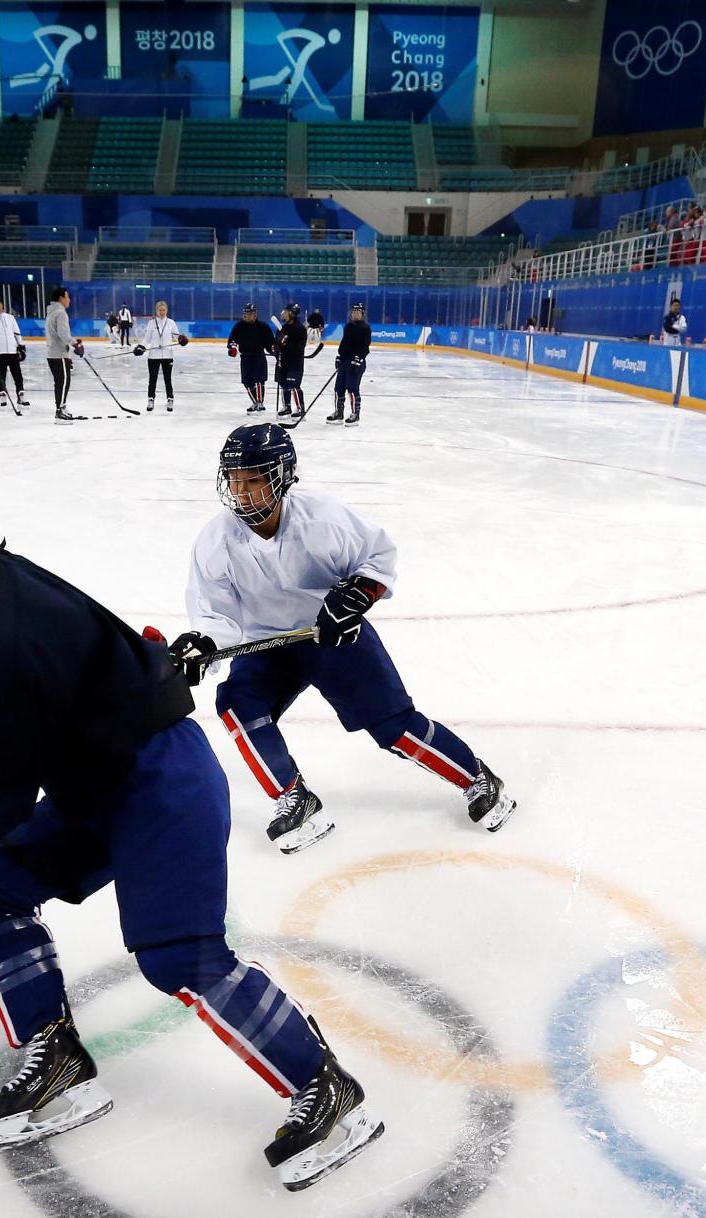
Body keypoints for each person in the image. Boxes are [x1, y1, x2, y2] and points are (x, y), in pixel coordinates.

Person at [0, 483, 383, 1190]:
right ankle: (60, 1064)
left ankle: (329, 1091)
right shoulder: (2, 589)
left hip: (161, 786)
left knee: (181, 959)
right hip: (105, 779)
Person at [169, 424, 515, 856]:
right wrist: (202, 641)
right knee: (238, 706)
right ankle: (293, 796)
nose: (243, 493)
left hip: (331, 637)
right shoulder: (215, 541)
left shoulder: (324, 518)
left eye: (254, 479)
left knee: (393, 727)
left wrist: (356, 596)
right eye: (235, 480)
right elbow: (216, 613)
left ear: (283, 475)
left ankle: (475, 776)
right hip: (267, 645)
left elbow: (379, 556)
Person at [134, 298, 187, 412]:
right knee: (152, 379)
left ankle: (170, 399)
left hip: (167, 356)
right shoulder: (151, 323)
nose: (162, 312)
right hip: (153, 356)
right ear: (156, 311)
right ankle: (151, 399)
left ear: (166, 310)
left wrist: (182, 339)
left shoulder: (171, 323)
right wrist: (141, 347)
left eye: (164, 310)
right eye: (160, 310)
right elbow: (147, 338)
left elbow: (177, 336)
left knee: (168, 379)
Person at [227, 302, 274, 414]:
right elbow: (232, 340)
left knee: (259, 380)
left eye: (249, 313)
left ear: (254, 314)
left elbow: (270, 344)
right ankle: (255, 402)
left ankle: (260, 403)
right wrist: (232, 348)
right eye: (245, 313)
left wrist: (274, 350)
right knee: (247, 382)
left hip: (258, 357)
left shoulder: (263, 327)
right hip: (245, 358)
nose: (246, 315)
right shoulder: (239, 326)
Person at [44, 285, 82, 422]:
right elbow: (63, 334)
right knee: (63, 383)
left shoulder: (51, 313)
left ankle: (62, 408)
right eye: (67, 296)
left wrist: (72, 343)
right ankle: (59, 412)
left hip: (53, 353)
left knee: (60, 382)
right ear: (61, 298)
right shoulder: (60, 313)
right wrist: (75, 344)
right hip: (59, 354)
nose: (69, 300)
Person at [328, 301, 369, 425]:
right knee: (338, 387)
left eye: (357, 312)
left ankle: (355, 414)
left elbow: (365, 347)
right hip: (345, 361)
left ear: (362, 314)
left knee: (352, 388)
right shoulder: (348, 326)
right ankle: (339, 412)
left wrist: (358, 359)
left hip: (356, 361)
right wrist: (340, 356)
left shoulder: (365, 328)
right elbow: (344, 343)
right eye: (353, 311)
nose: (355, 314)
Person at [0, 294, 27, 408]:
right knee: (1, 375)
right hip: (0, 353)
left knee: (17, 375)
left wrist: (21, 346)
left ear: (2, 305)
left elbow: (17, 332)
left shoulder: (10, 318)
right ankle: (2, 395)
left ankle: (21, 395)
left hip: (13, 351)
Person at [273, 303, 308, 419]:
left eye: (286, 311)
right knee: (284, 384)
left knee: (294, 385)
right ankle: (287, 407)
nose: (283, 313)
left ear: (292, 314)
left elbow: (299, 347)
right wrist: (276, 346)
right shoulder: (284, 328)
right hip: (283, 362)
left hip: (295, 363)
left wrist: (285, 343)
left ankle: (300, 409)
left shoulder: (300, 329)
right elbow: (277, 343)